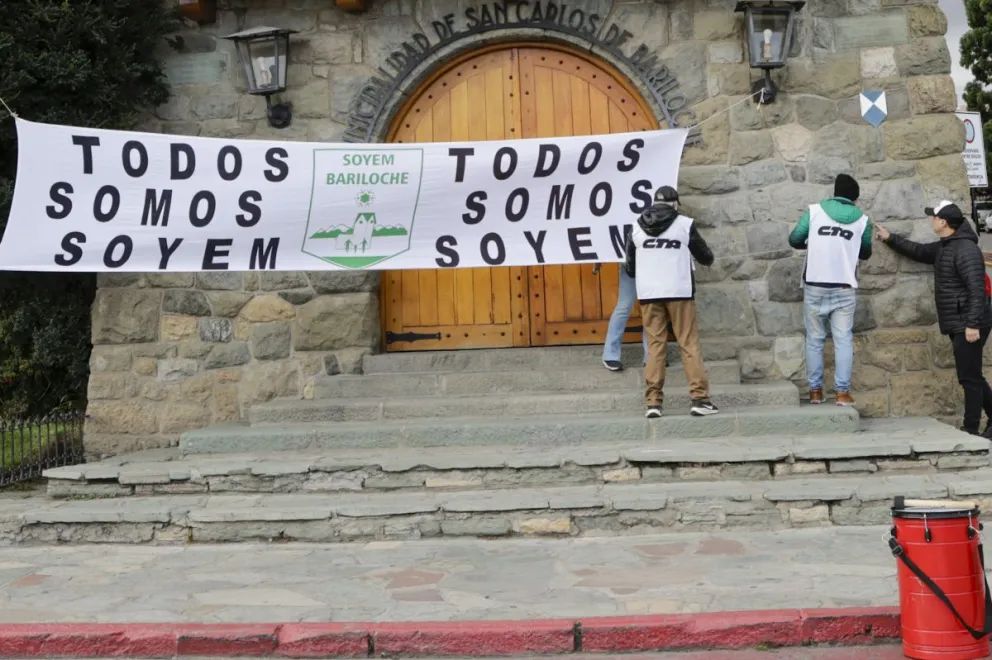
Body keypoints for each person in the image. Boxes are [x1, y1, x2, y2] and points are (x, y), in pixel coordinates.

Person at [876, 201, 992, 437]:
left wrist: (972, 324)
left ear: (944, 222)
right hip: (961, 320)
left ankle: (970, 430)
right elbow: (919, 251)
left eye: (934, 218)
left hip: (969, 322)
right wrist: (890, 238)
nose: (931, 221)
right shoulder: (946, 246)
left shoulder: (966, 250)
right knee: (972, 375)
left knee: (968, 377)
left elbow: (976, 289)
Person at [623, 185, 717, 418]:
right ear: (675, 204)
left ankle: (653, 402)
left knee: (655, 346)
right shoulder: (685, 224)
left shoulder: (636, 227)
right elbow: (706, 258)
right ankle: (699, 399)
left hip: (649, 293)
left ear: (653, 203)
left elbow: (630, 267)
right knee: (688, 344)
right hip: (679, 291)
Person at [788, 173, 873, 407]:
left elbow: (795, 239)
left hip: (815, 285)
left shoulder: (814, 212)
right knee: (843, 340)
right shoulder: (863, 220)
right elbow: (865, 252)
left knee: (814, 340)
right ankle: (843, 394)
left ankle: (816, 392)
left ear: (835, 192)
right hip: (844, 287)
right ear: (854, 198)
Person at [595, 261, 649, 371]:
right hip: (630, 263)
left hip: (655, 263)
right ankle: (610, 354)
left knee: (652, 308)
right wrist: (599, 258)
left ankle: (653, 356)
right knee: (624, 306)